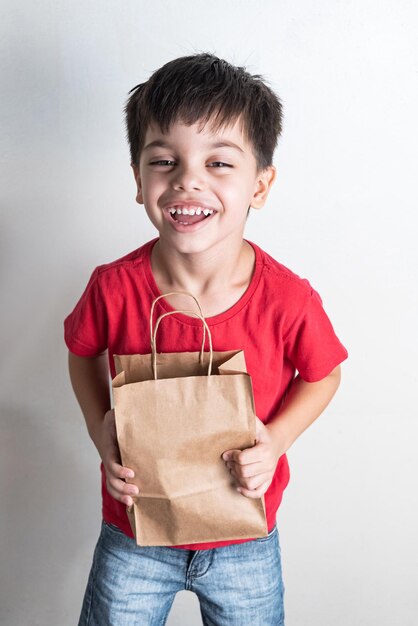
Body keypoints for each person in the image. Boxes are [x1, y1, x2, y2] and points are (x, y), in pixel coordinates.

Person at [65, 53, 348, 626]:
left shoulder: (287, 297)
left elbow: (324, 373)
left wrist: (277, 441)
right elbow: (82, 353)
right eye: (164, 160)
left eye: (219, 162)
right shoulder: (113, 287)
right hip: (134, 534)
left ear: (260, 186)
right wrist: (101, 428)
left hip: (246, 535)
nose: (188, 179)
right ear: (139, 182)